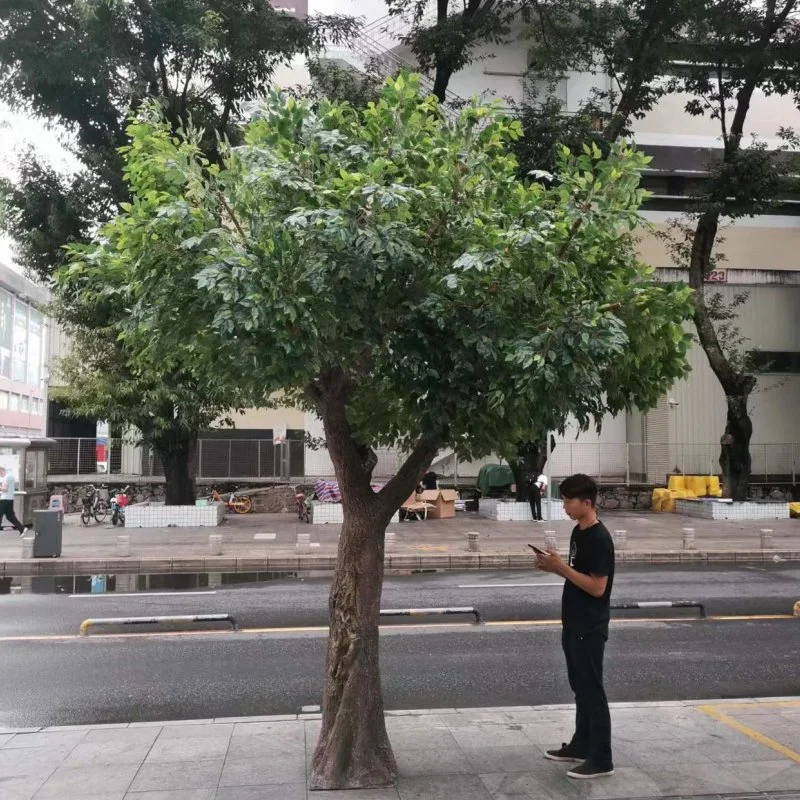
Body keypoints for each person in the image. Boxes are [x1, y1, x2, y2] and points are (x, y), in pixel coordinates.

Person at [534, 473, 615, 780]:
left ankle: (601, 758)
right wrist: (553, 566)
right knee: (580, 687)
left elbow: (597, 587)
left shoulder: (598, 538)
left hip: (590, 626)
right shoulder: (578, 533)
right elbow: (576, 576)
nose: (564, 505)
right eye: (563, 499)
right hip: (573, 622)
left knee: (592, 690)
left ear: (587, 503)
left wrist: (561, 568)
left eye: (568, 500)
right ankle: (582, 744)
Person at [0, 466, 27, 537]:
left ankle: (22, 528)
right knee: (10, 516)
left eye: (0, 473)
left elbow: (5, 489)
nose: (0, 475)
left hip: (4, 499)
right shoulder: (11, 477)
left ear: (1, 471)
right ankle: (22, 529)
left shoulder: (5, 478)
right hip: (10, 499)